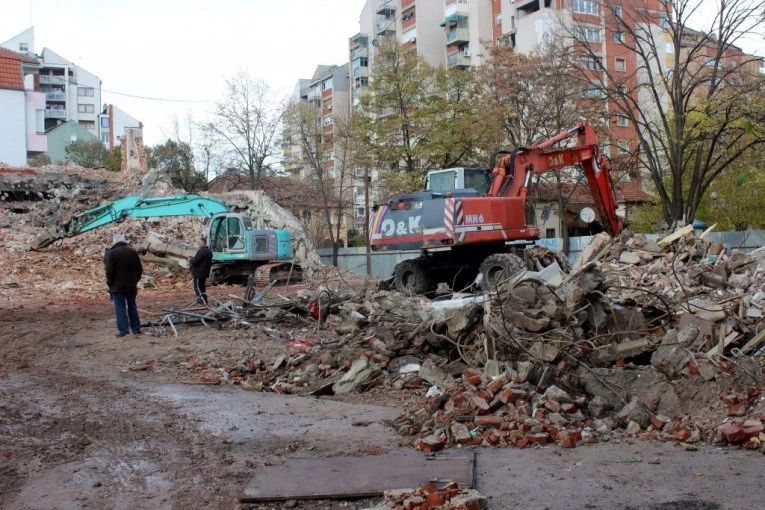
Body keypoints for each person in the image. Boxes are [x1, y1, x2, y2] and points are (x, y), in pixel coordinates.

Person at [105, 234, 143, 337]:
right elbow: (139, 269)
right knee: (132, 306)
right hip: (131, 286)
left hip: (117, 287)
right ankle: (136, 328)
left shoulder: (112, 253)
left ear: (115, 242)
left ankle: (123, 330)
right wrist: (135, 281)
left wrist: (110, 283)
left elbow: (109, 271)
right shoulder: (133, 252)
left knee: (120, 308)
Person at [188, 237, 213, 305]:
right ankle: (204, 300)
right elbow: (201, 260)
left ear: (203, 242)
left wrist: (190, 260)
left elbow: (196, 261)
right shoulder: (209, 251)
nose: (198, 244)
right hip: (204, 272)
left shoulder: (201, 251)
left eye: (199, 242)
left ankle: (202, 301)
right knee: (202, 287)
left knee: (198, 287)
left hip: (199, 273)